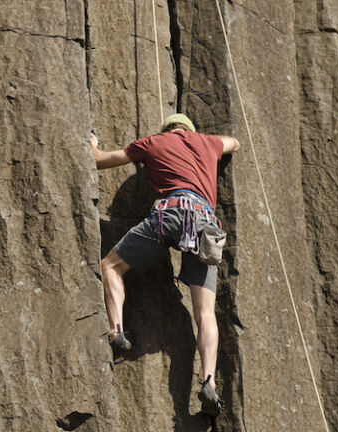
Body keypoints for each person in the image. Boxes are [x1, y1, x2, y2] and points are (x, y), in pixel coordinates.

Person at [89, 113, 240, 416]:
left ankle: (117, 330)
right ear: (189, 130)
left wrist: (92, 145)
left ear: (167, 129)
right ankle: (209, 381)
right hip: (205, 225)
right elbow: (234, 143)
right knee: (205, 312)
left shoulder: (154, 142)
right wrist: (210, 146)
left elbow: (100, 160)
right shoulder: (208, 143)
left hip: (169, 213)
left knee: (111, 267)